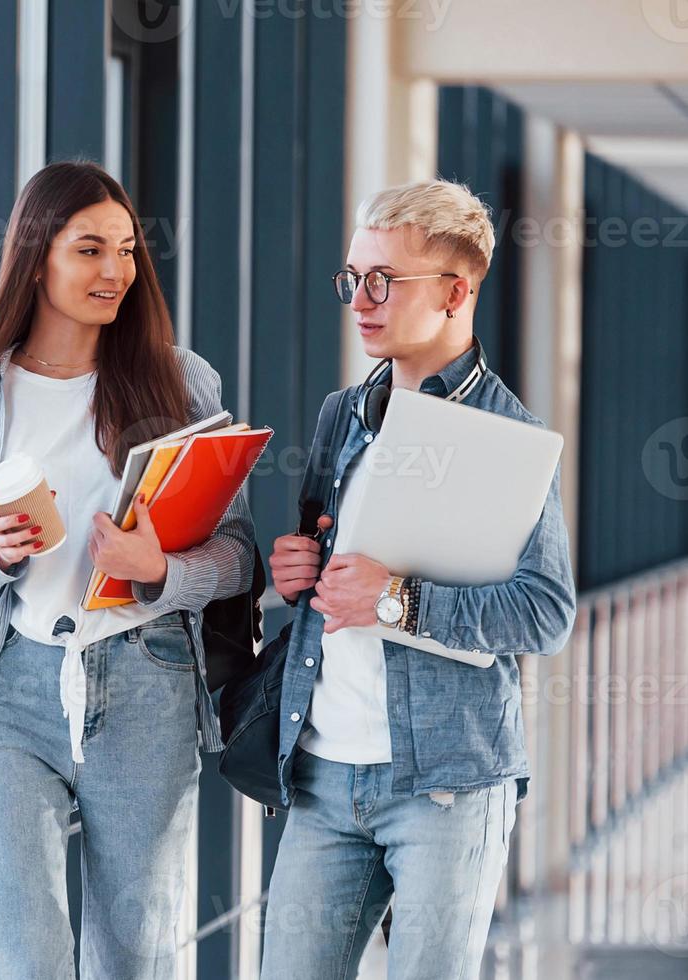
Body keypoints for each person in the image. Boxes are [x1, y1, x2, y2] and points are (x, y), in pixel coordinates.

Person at [0, 160, 257, 978]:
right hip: (8, 691)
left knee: (136, 953)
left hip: (146, 681)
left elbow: (239, 560)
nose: (115, 271)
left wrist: (157, 567)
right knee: (24, 954)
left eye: (126, 250)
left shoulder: (179, 380)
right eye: (90, 248)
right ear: (36, 256)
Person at [261, 179, 577, 979]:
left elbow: (545, 613)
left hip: (446, 785)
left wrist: (398, 601)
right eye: (353, 278)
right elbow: (334, 565)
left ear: (455, 292)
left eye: (383, 281)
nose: (360, 300)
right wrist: (300, 571)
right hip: (323, 772)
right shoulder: (344, 413)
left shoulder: (508, 437)